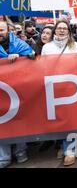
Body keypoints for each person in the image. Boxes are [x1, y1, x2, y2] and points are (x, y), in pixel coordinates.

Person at [41, 19, 77, 166]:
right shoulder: (47, 47)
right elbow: (43, 67)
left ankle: (71, 150)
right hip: (53, 87)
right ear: (55, 30)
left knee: (71, 119)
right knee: (58, 119)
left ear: (69, 31)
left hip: (72, 87)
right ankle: (62, 145)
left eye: (65, 28)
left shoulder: (76, 46)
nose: (62, 30)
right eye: (59, 28)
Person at [0, 21, 33, 168]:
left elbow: (32, 57)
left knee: (18, 118)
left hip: (18, 88)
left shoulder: (19, 44)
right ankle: (4, 157)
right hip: (1, 91)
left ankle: (21, 152)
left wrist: (19, 57)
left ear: (9, 30)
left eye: (1, 30)